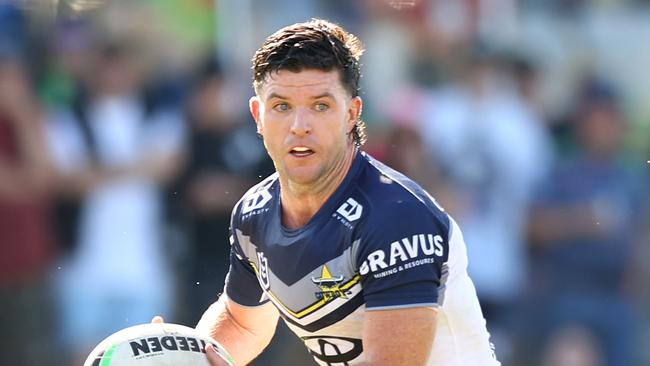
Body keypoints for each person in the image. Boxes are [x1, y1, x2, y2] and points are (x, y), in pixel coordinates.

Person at [183, 19, 499, 365]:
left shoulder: (398, 216)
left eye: (320, 106)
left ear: (352, 113)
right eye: (282, 106)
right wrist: (176, 355)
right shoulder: (253, 214)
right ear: (258, 116)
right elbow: (242, 324)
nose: (299, 126)